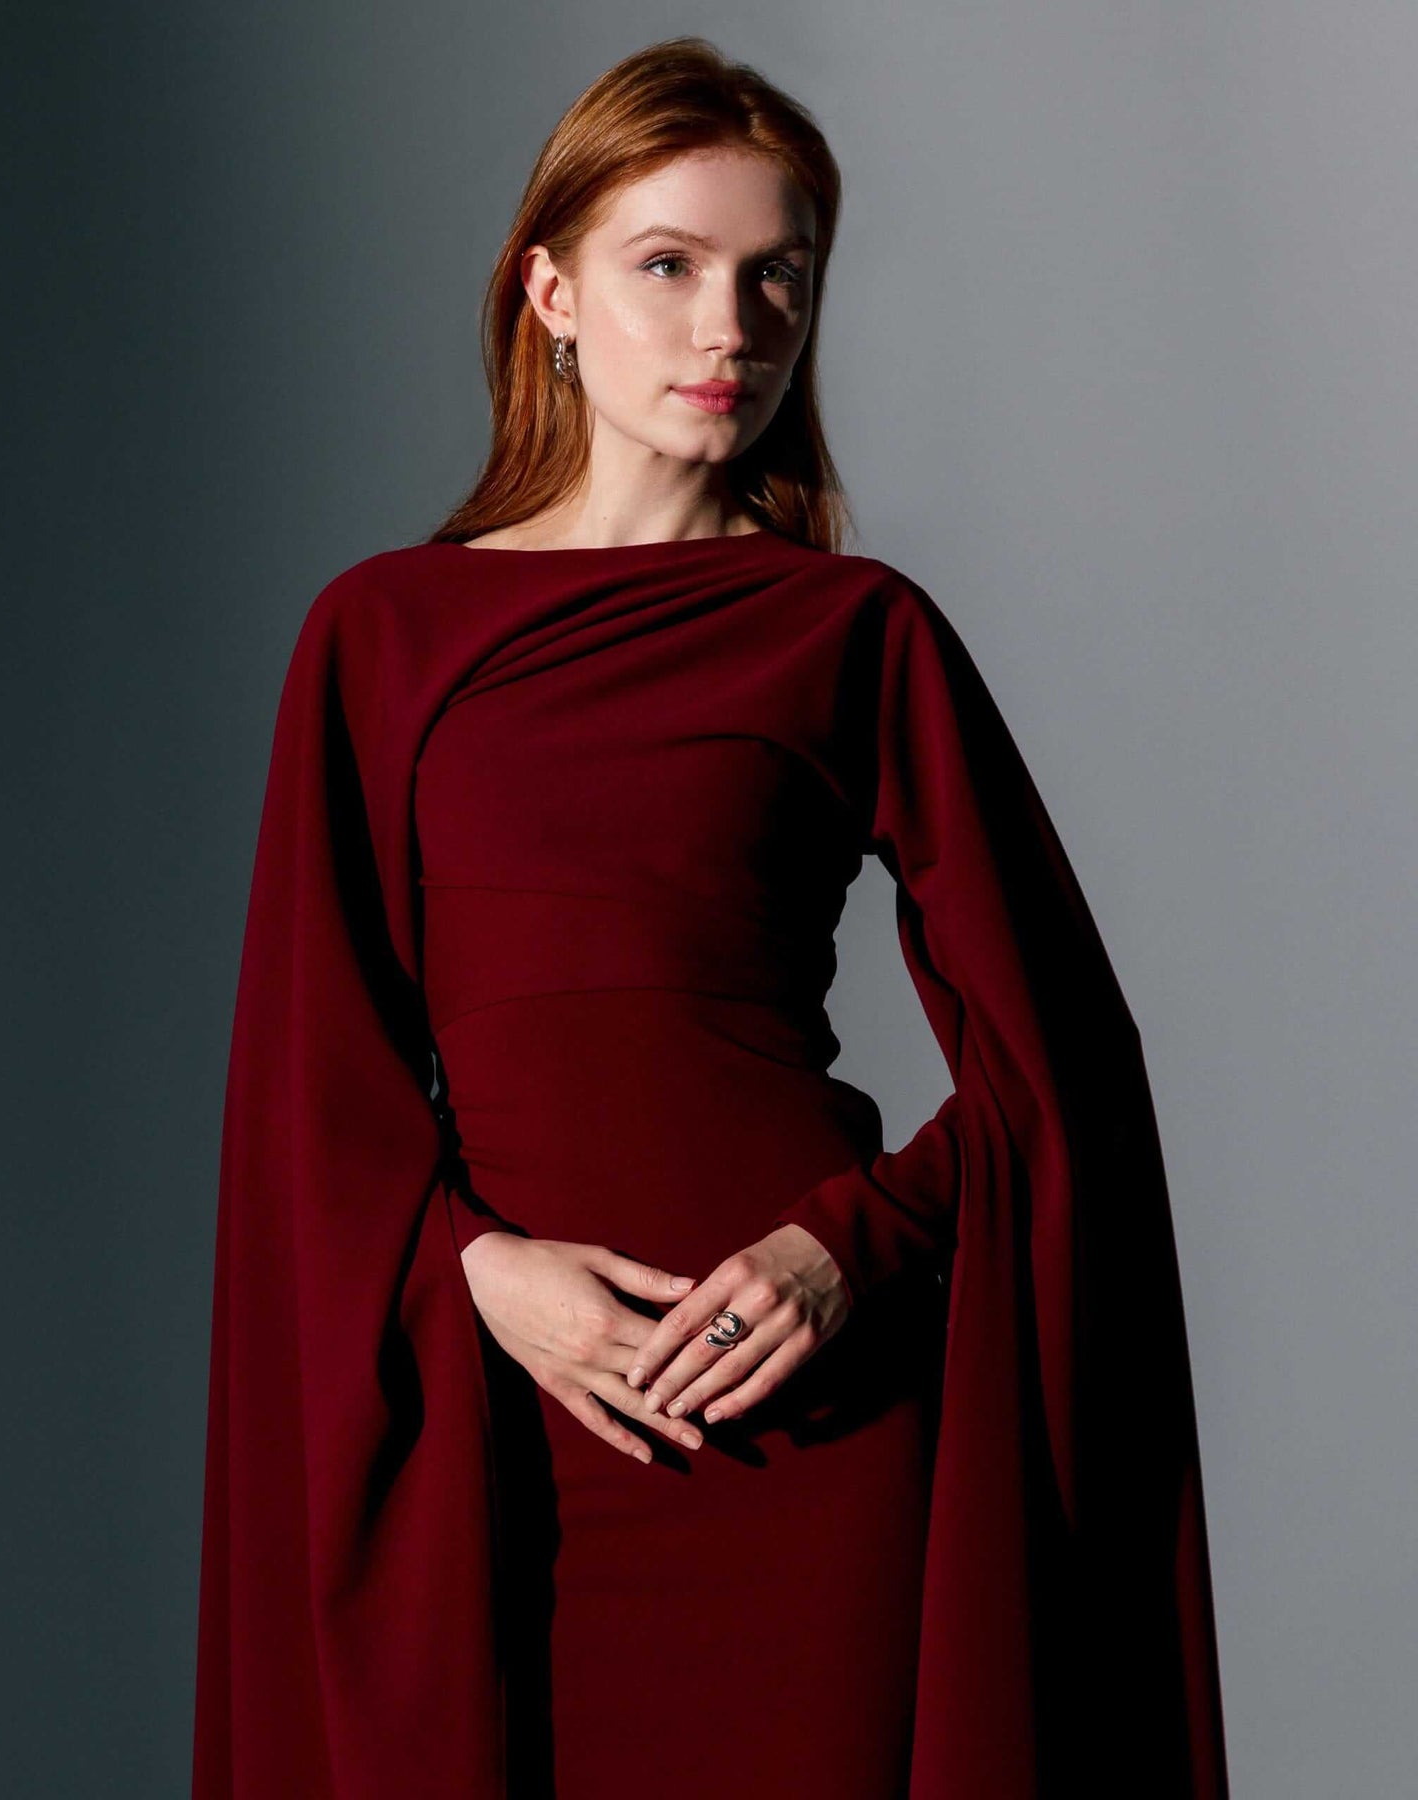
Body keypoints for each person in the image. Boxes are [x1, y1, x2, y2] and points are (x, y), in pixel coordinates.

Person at [191, 35, 1229, 1800]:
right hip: (502, 1430)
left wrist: (850, 1251)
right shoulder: (380, 636)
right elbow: (312, 1081)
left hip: (805, 1431)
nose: (728, 327)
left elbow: (1066, 1070)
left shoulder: (854, 632)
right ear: (552, 294)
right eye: (667, 265)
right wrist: (473, 1272)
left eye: (776, 277)